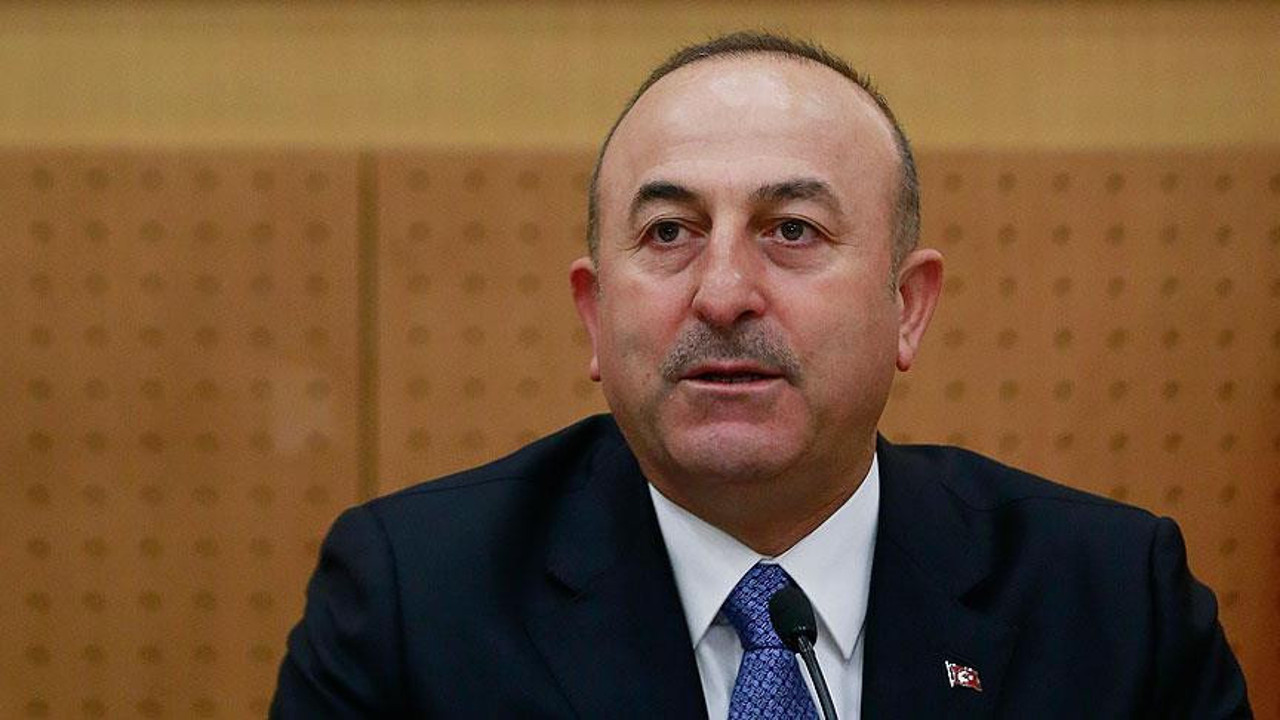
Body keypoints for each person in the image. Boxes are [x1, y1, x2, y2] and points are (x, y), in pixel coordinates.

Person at [271, 32, 1251, 718]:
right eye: (669, 232)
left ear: (907, 307)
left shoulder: (1113, 604)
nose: (723, 293)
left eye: (792, 230)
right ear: (594, 316)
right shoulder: (414, 603)